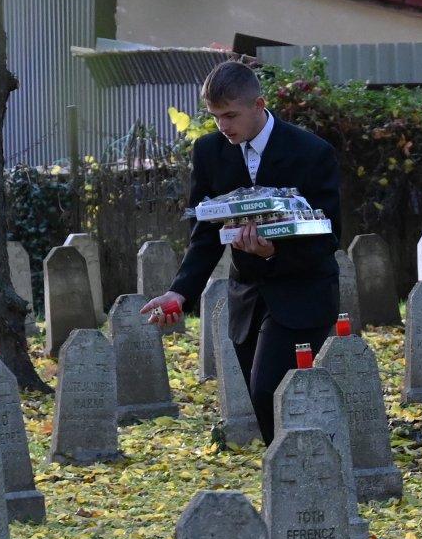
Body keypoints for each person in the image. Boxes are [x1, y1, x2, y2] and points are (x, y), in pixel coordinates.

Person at [141, 62, 341, 442]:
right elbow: (203, 234)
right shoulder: (209, 152)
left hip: (304, 293)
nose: (223, 126)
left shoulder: (312, 152)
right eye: (215, 117)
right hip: (247, 299)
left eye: (230, 115)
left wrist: (271, 253)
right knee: (261, 396)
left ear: (259, 104)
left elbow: (330, 236)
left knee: (271, 390)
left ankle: (311, 471)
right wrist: (179, 293)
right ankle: (293, 475)